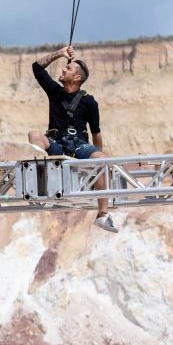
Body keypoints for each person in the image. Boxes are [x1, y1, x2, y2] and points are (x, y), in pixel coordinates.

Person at [28, 45, 118, 233]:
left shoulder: (89, 102)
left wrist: (97, 162)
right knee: (34, 136)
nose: (63, 69)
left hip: (79, 147)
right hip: (57, 145)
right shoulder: (54, 91)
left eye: (68, 68)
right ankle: (43, 184)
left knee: (102, 159)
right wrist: (60, 53)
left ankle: (102, 214)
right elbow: (37, 67)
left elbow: (96, 134)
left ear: (77, 78)